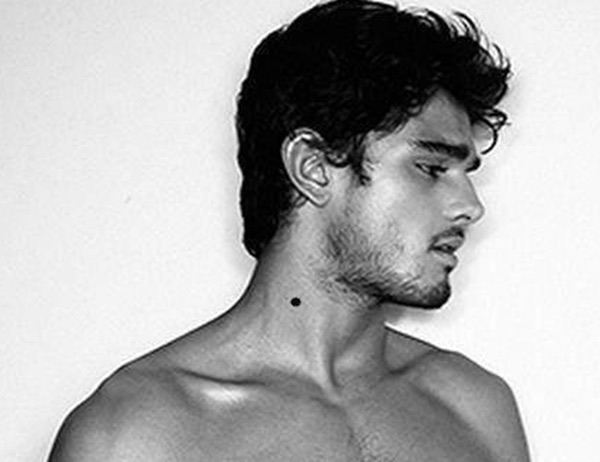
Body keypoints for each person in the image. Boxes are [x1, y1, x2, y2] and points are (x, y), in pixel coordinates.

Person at [48, 0, 530, 460]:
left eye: (466, 174)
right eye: (431, 168)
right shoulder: (132, 435)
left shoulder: (475, 408)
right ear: (312, 168)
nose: (470, 206)